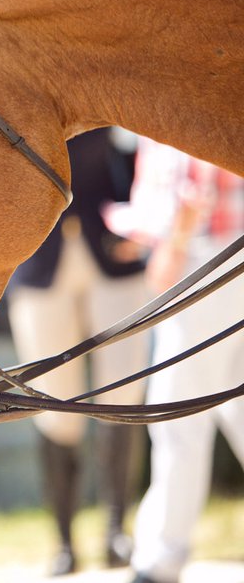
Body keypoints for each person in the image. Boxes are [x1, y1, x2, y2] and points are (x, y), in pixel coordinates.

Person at [5, 128, 150, 576]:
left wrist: (145, 220)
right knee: (52, 404)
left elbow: (143, 147)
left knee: (123, 397)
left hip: (114, 255)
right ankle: (65, 543)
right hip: (38, 263)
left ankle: (116, 531)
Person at [107, 138, 244, 583]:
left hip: (204, 254)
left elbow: (195, 179)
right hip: (217, 249)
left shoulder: (184, 75)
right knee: (233, 402)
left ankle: (161, 559)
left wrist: (173, 246)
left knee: (178, 412)